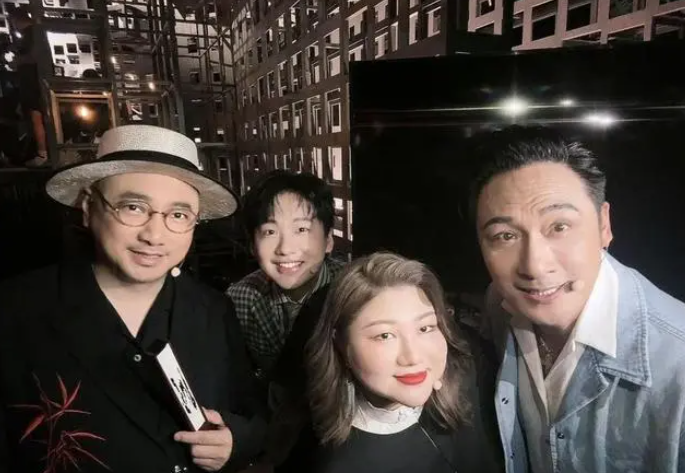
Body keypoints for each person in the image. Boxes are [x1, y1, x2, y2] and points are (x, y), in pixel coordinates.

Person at [0, 124, 266, 472]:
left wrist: (235, 441)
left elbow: (250, 412)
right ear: (88, 208)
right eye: (133, 207)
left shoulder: (214, 310)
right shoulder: (16, 310)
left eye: (178, 215)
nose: (154, 235)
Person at [471, 126, 685, 473]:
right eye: (505, 236)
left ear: (604, 225)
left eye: (559, 227)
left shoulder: (678, 364)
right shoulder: (499, 304)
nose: (534, 266)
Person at [284, 252, 504, 473]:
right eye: (385, 335)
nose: (413, 357)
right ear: (341, 343)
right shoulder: (339, 463)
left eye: (425, 328)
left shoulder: (474, 372)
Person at [226, 170, 345, 375]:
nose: (285, 249)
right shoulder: (239, 300)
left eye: (301, 229)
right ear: (253, 246)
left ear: (328, 240)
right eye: (270, 232)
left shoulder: (357, 291)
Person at [8, 7, 47, 168]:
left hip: (33, 82)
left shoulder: (32, 33)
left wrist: (18, 61)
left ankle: (42, 153)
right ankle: (37, 151)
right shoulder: (31, 34)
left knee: (36, 117)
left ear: (16, 20)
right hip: (31, 82)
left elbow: (35, 57)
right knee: (33, 117)